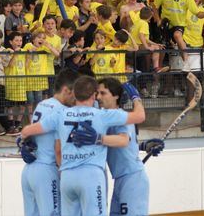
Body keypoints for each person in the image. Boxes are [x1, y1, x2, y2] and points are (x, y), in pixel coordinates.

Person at [20, 76, 146, 216]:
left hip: (67, 177)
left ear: (74, 94)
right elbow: (139, 117)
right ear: (93, 95)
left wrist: (22, 142)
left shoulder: (60, 114)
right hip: (90, 176)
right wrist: (136, 98)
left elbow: (27, 131)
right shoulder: (101, 115)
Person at [96, 77, 164, 216]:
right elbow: (125, 143)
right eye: (97, 93)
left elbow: (123, 140)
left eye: (103, 93)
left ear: (115, 96)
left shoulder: (121, 116)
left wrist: (96, 139)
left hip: (132, 179)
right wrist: (143, 145)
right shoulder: (106, 117)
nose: (98, 97)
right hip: (121, 178)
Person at [18, 68, 78, 216]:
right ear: (66, 90)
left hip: (29, 171)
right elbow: (59, 149)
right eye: (75, 94)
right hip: (47, 171)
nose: (77, 99)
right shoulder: (63, 111)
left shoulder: (42, 104)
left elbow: (27, 135)